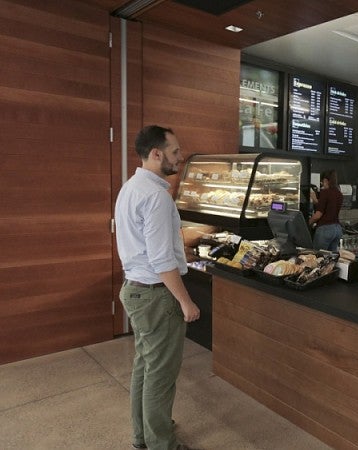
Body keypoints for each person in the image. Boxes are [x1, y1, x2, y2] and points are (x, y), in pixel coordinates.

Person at [115, 125, 200, 450]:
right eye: (175, 152)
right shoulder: (157, 198)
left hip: (135, 289)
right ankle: (161, 442)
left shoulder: (131, 188)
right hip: (156, 296)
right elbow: (162, 260)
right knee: (161, 377)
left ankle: (143, 435)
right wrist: (186, 302)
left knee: (146, 367)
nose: (180, 157)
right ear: (156, 153)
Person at [308, 169, 344, 251]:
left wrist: (308, 224)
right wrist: (315, 200)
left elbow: (318, 215)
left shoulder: (325, 192)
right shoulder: (339, 193)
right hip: (337, 229)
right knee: (331, 258)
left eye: (322, 182)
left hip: (325, 229)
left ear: (325, 180)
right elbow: (329, 208)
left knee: (318, 257)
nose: (322, 184)